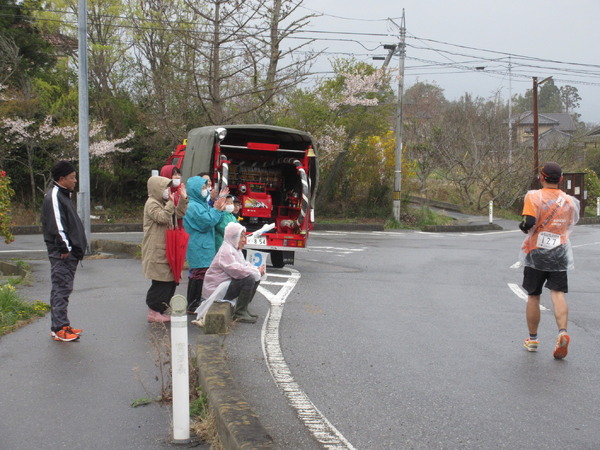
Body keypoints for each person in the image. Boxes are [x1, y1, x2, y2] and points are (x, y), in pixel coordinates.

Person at [518, 162, 579, 359]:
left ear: (541, 178)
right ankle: (562, 332)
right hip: (559, 251)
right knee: (558, 293)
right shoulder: (569, 201)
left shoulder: (534, 197)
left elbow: (528, 223)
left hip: (537, 251)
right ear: (561, 179)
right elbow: (569, 224)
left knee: (534, 295)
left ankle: (533, 339)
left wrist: (523, 227)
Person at [41, 160, 87, 342]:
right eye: (72, 177)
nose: (75, 181)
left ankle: (61, 324)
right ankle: (60, 328)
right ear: (61, 179)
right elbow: (57, 225)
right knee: (61, 288)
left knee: (63, 289)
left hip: (68, 253)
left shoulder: (63, 195)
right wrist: (65, 248)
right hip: (63, 253)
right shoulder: (54, 196)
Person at [142, 175, 188, 323]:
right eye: (165, 188)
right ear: (157, 188)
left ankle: (160, 310)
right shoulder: (152, 203)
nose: (168, 190)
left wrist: (182, 200)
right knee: (161, 281)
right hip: (156, 249)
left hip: (167, 247)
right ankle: (154, 311)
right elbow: (162, 217)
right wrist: (170, 202)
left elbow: (179, 214)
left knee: (170, 280)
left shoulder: (163, 202)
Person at [202, 222, 265, 323]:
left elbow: (243, 265)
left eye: (244, 236)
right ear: (233, 237)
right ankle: (240, 313)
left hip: (224, 285)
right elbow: (236, 270)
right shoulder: (226, 251)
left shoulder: (234, 248)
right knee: (249, 278)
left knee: (255, 276)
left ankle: (244, 308)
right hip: (216, 289)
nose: (244, 240)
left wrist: (256, 270)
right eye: (242, 237)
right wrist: (255, 271)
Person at [183, 176, 226, 313]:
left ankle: (196, 302)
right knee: (198, 274)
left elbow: (212, 218)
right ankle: (193, 303)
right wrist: (217, 210)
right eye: (202, 187)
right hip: (198, 245)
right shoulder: (193, 206)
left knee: (200, 273)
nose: (205, 190)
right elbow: (206, 222)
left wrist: (217, 207)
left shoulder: (199, 204)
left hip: (203, 244)